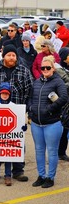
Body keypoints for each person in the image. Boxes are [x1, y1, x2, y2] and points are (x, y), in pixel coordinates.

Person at [0, 44, 34, 182]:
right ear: (3, 56)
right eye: (9, 55)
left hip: (16, 115)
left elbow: (30, 91)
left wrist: (26, 109)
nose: (11, 57)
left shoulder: (24, 71)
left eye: (14, 55)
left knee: (17, 143)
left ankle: (18, 170)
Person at [28, 55, 68, 188]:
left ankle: (50, 177)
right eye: (42, 67)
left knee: (52, 151)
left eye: (47, 67)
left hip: (52, 123)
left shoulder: (58, 82)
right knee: (39, 150)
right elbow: (31, 97)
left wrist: (49, 109)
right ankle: (41, 175)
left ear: (53, 68)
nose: (45, 69)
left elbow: (63, 98)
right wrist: (31, 108)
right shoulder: (37, 81)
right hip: (36, 123)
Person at [58, 47, 69, 161]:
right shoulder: (59, 70)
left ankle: (62, 151)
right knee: (63, 128)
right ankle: (60, 151)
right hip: (63, 103)